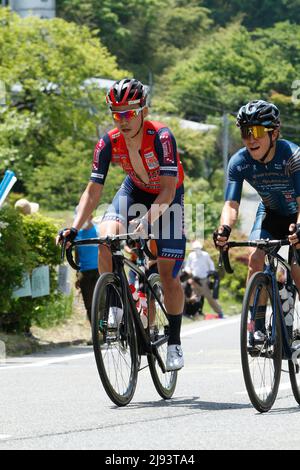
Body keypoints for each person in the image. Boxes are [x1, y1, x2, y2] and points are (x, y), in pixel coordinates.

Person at [57, 78, 186, 371]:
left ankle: (175, 341)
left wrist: (146, 220)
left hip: (168, 196)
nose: (123, 120)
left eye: (129, 113)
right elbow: (93, 190)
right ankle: (116, 304)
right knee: (105, 238)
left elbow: (167, 190)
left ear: (144, 110)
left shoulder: (162, 137)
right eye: (117, 114)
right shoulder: (108, 141)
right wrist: (74, 227)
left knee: (168, 274)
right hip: (134, 191)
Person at [214, 99, 300, 339]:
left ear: (275, 133)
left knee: (296, 270)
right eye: (245, 132)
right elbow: (231, 204)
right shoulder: (239, 162)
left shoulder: (293, 156)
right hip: (270, 213)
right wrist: (224, 228)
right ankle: (258, 326)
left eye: (258, 131)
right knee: (255, 258)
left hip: (298, 215)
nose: (251, 138)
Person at [184, 240, 224, 319]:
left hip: (204, 280)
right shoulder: (191, 256)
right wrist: (188, 272)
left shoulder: (205, 255)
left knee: (209, 297)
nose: (197, 250)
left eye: (198, 248)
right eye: (195, 248)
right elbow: (187, 266)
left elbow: (211, 264)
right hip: (194, 280)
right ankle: (194, 314)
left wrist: (211, 272)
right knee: (194, 298)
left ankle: (220, 312)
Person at [74, 211, 99, 324]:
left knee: (102, 303)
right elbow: (76, 255)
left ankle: (105, 330)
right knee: (89, 305)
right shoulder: (76, 234)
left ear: (91, 216)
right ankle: (96, 332)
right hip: (84, 272)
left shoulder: (98, 230)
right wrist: (77, 274)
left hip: (100, 270)